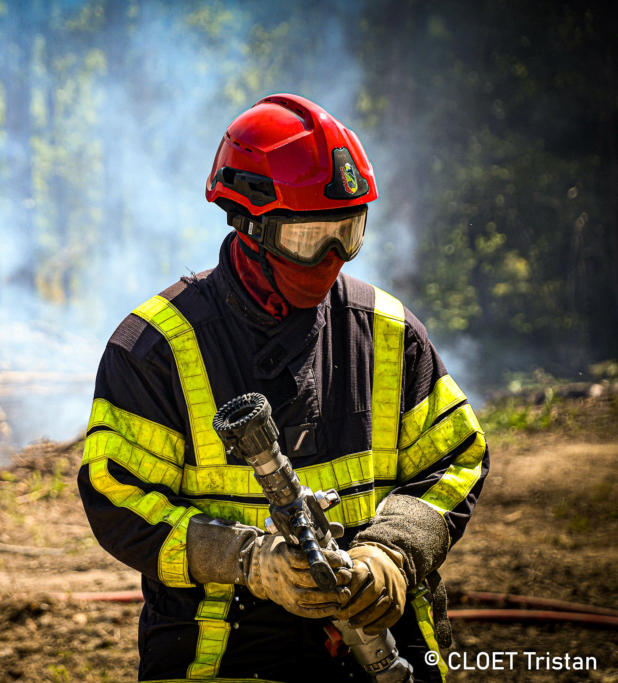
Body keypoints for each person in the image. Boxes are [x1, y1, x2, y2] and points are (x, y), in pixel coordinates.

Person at [77, 94, 488, 682]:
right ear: (248, 225)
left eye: (346, 233)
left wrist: (393, 553)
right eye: (307, 238)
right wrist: (248, 561)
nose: (330, 260)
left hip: (387, 654)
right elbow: (116, 499)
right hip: (220, 658)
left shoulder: (389, 332)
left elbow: (457, 457)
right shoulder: (155, 350)